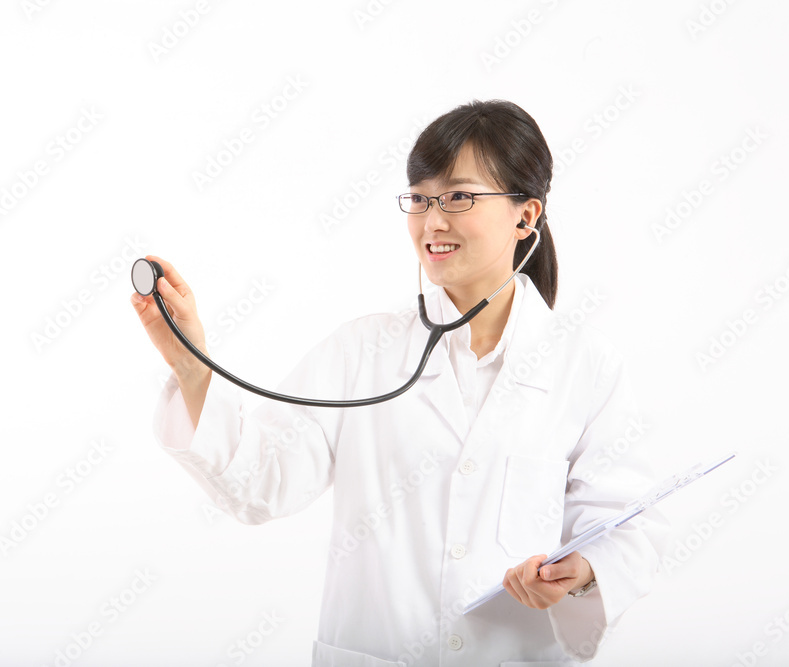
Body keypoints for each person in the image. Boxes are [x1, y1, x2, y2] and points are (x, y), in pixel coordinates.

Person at [130, 99, 669, 666]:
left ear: (525, 216)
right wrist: (192, 365)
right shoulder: (361, 351)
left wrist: (583, 572)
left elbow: (626, 525)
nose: (433, 221)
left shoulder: (585, 367)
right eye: (420, 198)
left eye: (459, 197)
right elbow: (261, 483)